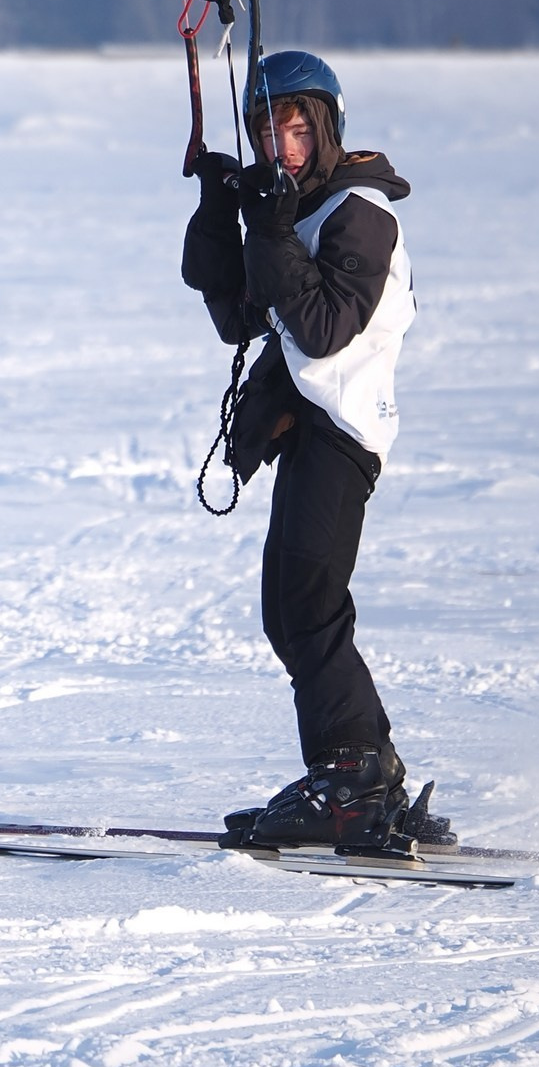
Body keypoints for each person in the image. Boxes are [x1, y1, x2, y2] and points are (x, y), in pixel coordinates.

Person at [181, 50, 451, 853]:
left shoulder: (359, 211)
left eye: (297, 128)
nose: (282, 144)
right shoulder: (293, 207)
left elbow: (324, 327)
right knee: (295, 609)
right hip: (314, 427)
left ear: (327, 127)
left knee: (305, 606)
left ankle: (349, 776)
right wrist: (219, 211)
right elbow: (237, 313)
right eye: (267, 128)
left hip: (346, 431)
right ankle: (371, 776)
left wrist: (271, 228)